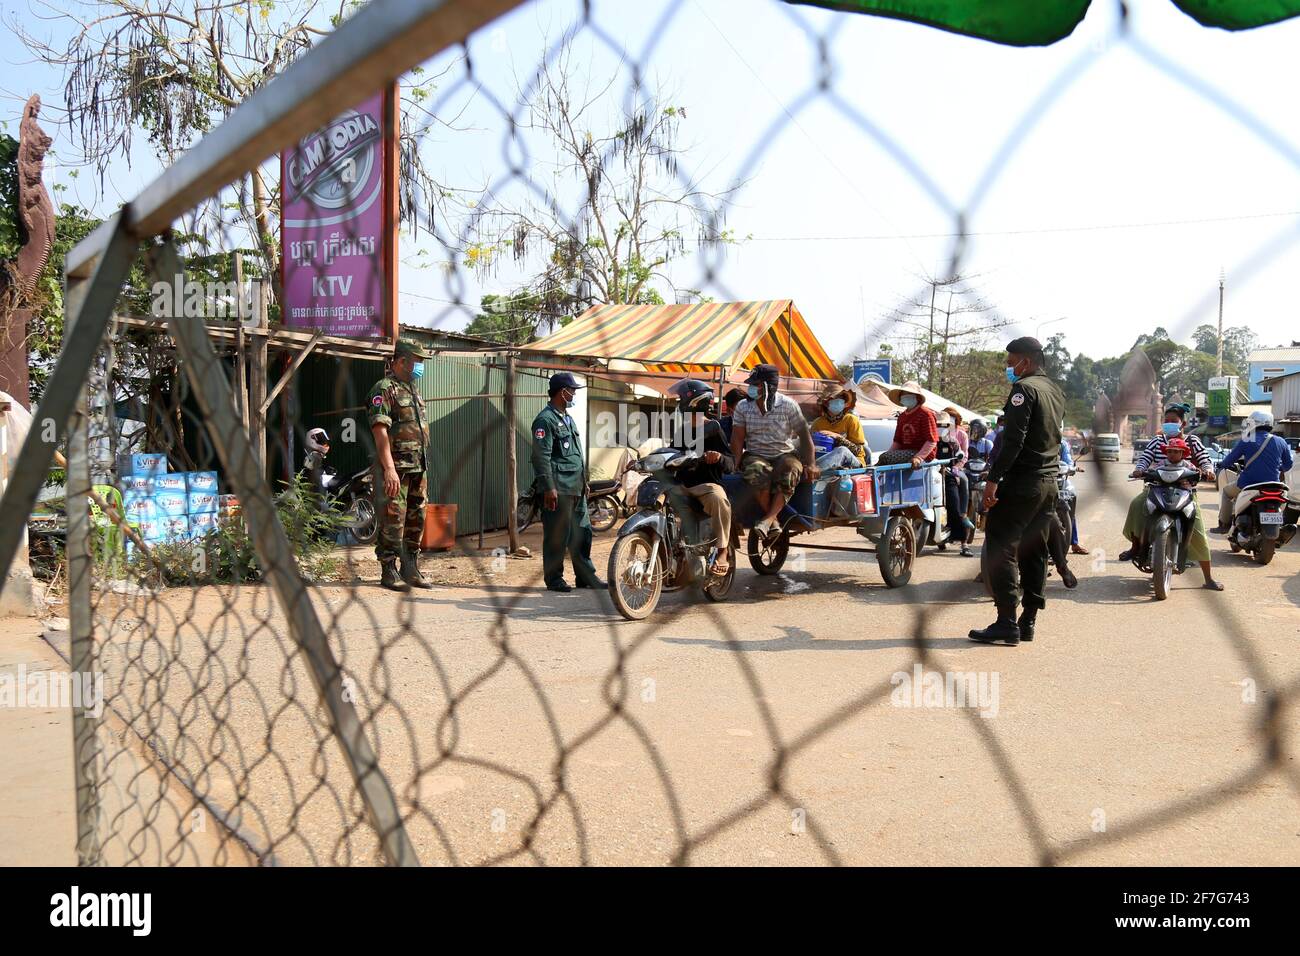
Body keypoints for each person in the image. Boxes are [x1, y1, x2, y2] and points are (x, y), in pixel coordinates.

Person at [969, 336, 1065, 647]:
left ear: (1025, 360)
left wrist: (994, 480)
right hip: (1049, 484)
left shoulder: (1024, 389)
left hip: (1022, 482)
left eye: (1011, 364)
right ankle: (1028, 622)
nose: (1009, 369)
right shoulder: (1055, 390)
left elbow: (1014, 440)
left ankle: (1006, 621)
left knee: (1002, 547)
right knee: (1035, 550)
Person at [1120, 402, 1222, 591]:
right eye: (1166, 421)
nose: (1169, 425)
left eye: (1173, 421)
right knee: (1136, 504)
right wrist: (1139, 470)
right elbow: (1145, 458)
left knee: (1198, 529)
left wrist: (1208, 471)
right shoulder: (1158, 441)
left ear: (1183, 424)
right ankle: (1136, 546)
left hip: (1185, 493)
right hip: (1156, 490)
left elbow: (1205, 461)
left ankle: (1208, 578)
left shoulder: (1192, 442)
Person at [367, 338, 433, 592]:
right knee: (393, 517)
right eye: (418, 361)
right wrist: (389, 469)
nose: (420, 366)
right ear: (403, 361)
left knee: (417, 517)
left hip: (418, 465)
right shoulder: (384, 389)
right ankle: (388, 568)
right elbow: (380, 431)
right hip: (396, 468)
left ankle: (410, 567)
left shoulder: (413, 390)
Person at [531, 372, 604, 594]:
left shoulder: (567, 418)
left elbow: (574, 454)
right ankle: (554, 579)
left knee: (582, 532)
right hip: (559, 487)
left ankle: (585, 577)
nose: (573, 394)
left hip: (576, 487)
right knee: (557, 535)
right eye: (571, 390)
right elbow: (540, 457)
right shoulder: (545, 420)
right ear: (562, 392)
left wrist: (585, 482)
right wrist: (548, 487)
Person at [729, 363, 819, 537]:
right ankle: (774, 520)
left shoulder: (788, 405)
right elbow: (737, 438)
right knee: (755, 472)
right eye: (751, 384)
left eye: (755, 385)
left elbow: (805, 437)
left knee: (791, 471)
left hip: (784, 454)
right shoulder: (742, 406)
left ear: (768, 387)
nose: (751, 388)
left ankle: (768, 520)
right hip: (755, 454)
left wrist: (812, 464)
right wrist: (735, 463)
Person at [669, 379, 735, 575]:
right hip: (682, 486)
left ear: (696, 402)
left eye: (682, 398)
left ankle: (723, 552)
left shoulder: (713, 427)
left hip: (706, 486)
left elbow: (731, 463)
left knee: (719, 498)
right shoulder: (682, 430)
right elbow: (672, 454)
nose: (679, 401)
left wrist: (719, 457)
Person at [1213, 409, 1295, 533]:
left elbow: (1230, 460)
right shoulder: (1280, 441)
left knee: (1226, 492)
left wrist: (1221, 464)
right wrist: (1277, 468)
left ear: (1254, 423)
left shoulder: (1248, 439)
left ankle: (1224, 525)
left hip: (1248, 482)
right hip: (1274, 485)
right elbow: (1288, 465)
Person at [935, 410, 975, 556]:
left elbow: (963, 455)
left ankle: (963, 520)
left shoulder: (955, 440)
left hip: (952, 472)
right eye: (937, 424)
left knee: (962, 484)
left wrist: (956, 468)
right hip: (932, 474)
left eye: (944, 424)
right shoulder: (930, 439)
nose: (941, 427)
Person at [810, 381, 870, 470]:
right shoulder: (817, 423)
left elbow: (858, 450)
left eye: (841, 399)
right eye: (835, 399)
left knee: (842, 450)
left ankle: (813, 472)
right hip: (826, 462)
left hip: (854, 462)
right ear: (826, 403)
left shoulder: (851, 420)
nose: (839, 402)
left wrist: (838, 437)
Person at [878, 380, 938, 468]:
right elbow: (897, 441)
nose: (905, 396)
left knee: (886, 457)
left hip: (922, 453)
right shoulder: (902, 417)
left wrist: (919, 457)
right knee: (884, 457)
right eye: (903, 394)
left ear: (917, 397)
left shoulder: (926, 414)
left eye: (908, 393)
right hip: (905, 452)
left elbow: (932, 441)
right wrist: (888, 454)